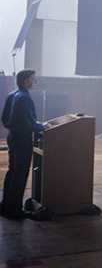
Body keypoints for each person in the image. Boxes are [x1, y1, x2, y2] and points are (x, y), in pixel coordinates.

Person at [1, 69, 50, 219]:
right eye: (33, 79)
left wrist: (33, 124)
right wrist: (41, 126)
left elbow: (4, 118)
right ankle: (15, 210)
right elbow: (28, 123)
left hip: (12, 136)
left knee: (12, 171)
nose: (35, 82)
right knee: (20, 174)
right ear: (26, 82)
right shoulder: (25, 98)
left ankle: (5, 205)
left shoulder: (12, 95)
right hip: (22, 138)